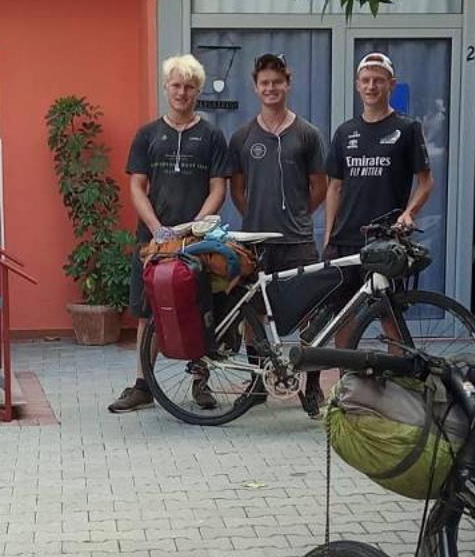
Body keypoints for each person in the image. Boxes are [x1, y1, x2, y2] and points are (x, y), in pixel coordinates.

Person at [109, 54, 231, 414]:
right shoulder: (147, 134)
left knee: (202, 307)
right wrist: (156, 229)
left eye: (189, 86)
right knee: (148, 310)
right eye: (176, 85)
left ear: (198, 91)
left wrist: (195, 225)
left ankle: (201, 382)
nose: (182, 92)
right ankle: (143, 385)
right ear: (166, 88)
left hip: (197, 239)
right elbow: (136, 186)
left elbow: (218, 188)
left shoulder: (211, 135)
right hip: (154, 240)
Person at [228, 53, 329, 416]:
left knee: (313, 316)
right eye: (264, 83)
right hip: (257, 244)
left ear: (288, 83)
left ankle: (312, 386)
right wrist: (255, 217)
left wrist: (300, 214)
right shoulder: (242, 137)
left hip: (299, 241)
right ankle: (257, 385)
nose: (271, 88)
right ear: (256, 87)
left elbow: (320, 185)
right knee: (253, 316)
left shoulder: (308, 134)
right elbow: (236, 188)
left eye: (277, 82)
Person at [321, 52, 434, 260]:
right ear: (357, 85)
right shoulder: (344, 131)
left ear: (392, 85)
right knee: (342, 295)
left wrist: (409, 212)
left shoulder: (407, 128)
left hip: (387, 241)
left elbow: (426, 182)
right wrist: (328, 237)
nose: (371, 86)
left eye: (378, 81)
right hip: (345, 241)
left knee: (387, 294)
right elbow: (335, 187)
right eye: (365, 80)